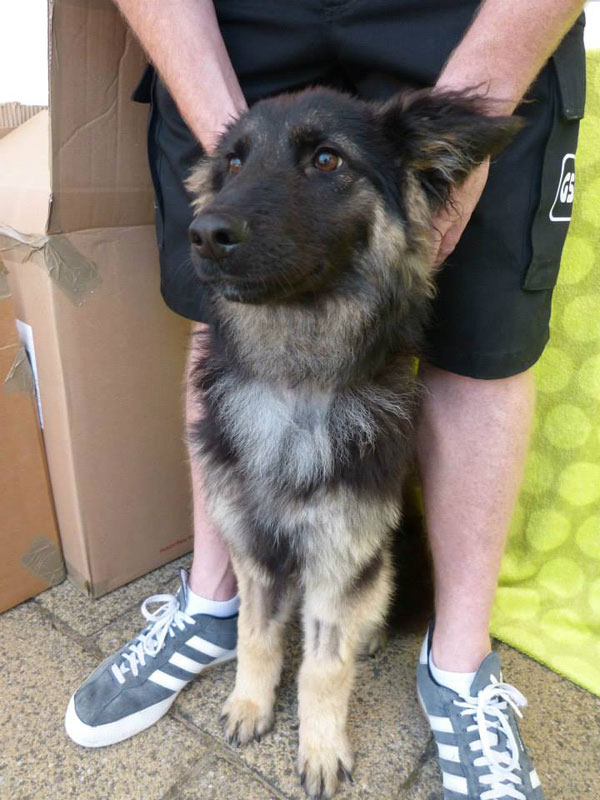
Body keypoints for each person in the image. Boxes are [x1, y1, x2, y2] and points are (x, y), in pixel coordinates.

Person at [64, 2, 586, 797]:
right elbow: (228, 197)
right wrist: (232, 161)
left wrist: (477, 110)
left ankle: (458, 667)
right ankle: (216, 608)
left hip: (467, 16)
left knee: (483, 343)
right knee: (229, 305)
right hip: (233, 18)